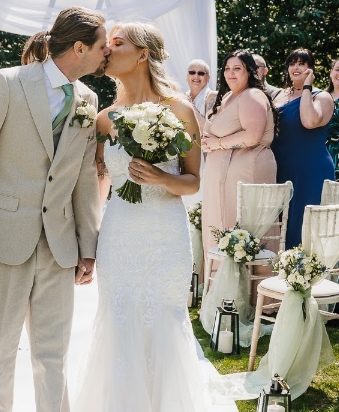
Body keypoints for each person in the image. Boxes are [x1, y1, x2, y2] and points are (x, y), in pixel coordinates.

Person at [0, 7, 107, 412]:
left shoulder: (88, 98)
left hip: (59, 247)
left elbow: (84, 179)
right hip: (2, 240)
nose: (108, 54)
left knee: (53, 357)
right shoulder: (7, 83)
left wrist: (88, 245)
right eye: (103, 46)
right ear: (80, 47)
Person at [71, 22, 234, 412]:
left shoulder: (179, 110)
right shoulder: (104, 118)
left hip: (164, 235)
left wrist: (162, 177)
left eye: (117, 43)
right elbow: (98, 184)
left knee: (162, 318)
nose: (106, 50)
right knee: (119, 320)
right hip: (119, 232)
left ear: (143, 54)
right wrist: (87, 243)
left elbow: (194, 181)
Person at [200, 50, 276, 256]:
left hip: (246, 173)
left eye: (237, 69)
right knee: (219, 229)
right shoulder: (227, 97)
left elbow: (252, 136)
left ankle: (249, 286)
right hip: (220, 177)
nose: (230, 73)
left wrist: (218, 143)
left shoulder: (252, 95)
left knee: (243, 233)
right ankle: (219, 283)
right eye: (227, 69)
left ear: (249, 72)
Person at [271, 48, 335, 249]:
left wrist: (306, 88)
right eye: (292, 63)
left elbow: (309, 121)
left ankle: (306, 271)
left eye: (302, 63)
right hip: (282, 166)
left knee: (304, 222)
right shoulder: (279, 95)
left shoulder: (321, 96)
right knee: (282, 222)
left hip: (310, 169)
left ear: (311, 70)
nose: (296, 67)